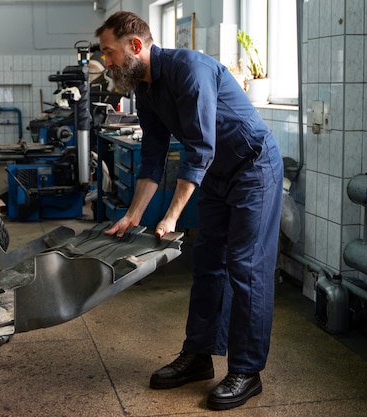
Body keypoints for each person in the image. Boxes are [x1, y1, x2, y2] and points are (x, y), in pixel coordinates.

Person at [95, 11, 283, 411]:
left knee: (246, 266)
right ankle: (199, 356)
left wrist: (171, 216)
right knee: (208, 263)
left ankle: (247, 372)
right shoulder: (145, 91)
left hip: (254, 167)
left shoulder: (189, 70)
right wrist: (134, 215)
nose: (106, 61)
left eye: (108, 52)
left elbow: (199, 149)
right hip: (217, 175)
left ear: (135, 45)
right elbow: (153, 156)